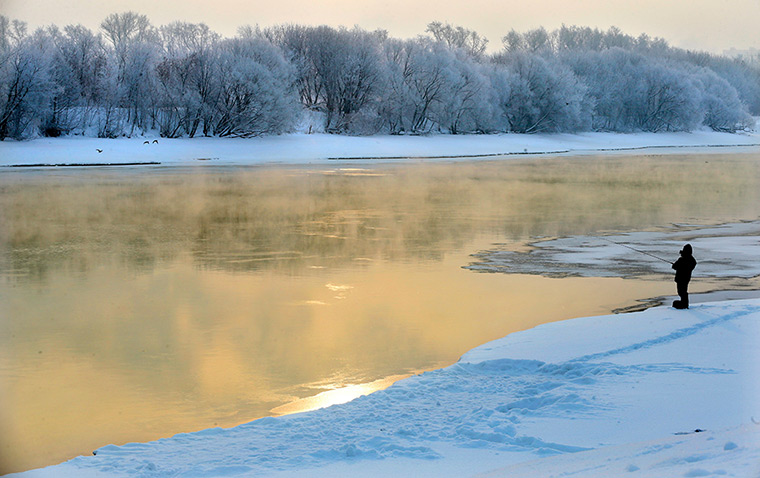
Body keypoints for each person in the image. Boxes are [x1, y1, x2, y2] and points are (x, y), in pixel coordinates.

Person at [672, 244, 697, 309]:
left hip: (681, 278)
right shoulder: (692, 260)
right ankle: (684, 303)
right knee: (682, 291)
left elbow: (675, 267)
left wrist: (676, 265)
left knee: (681, 291)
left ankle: (684, 304)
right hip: (686, 278)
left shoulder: (682, 259)